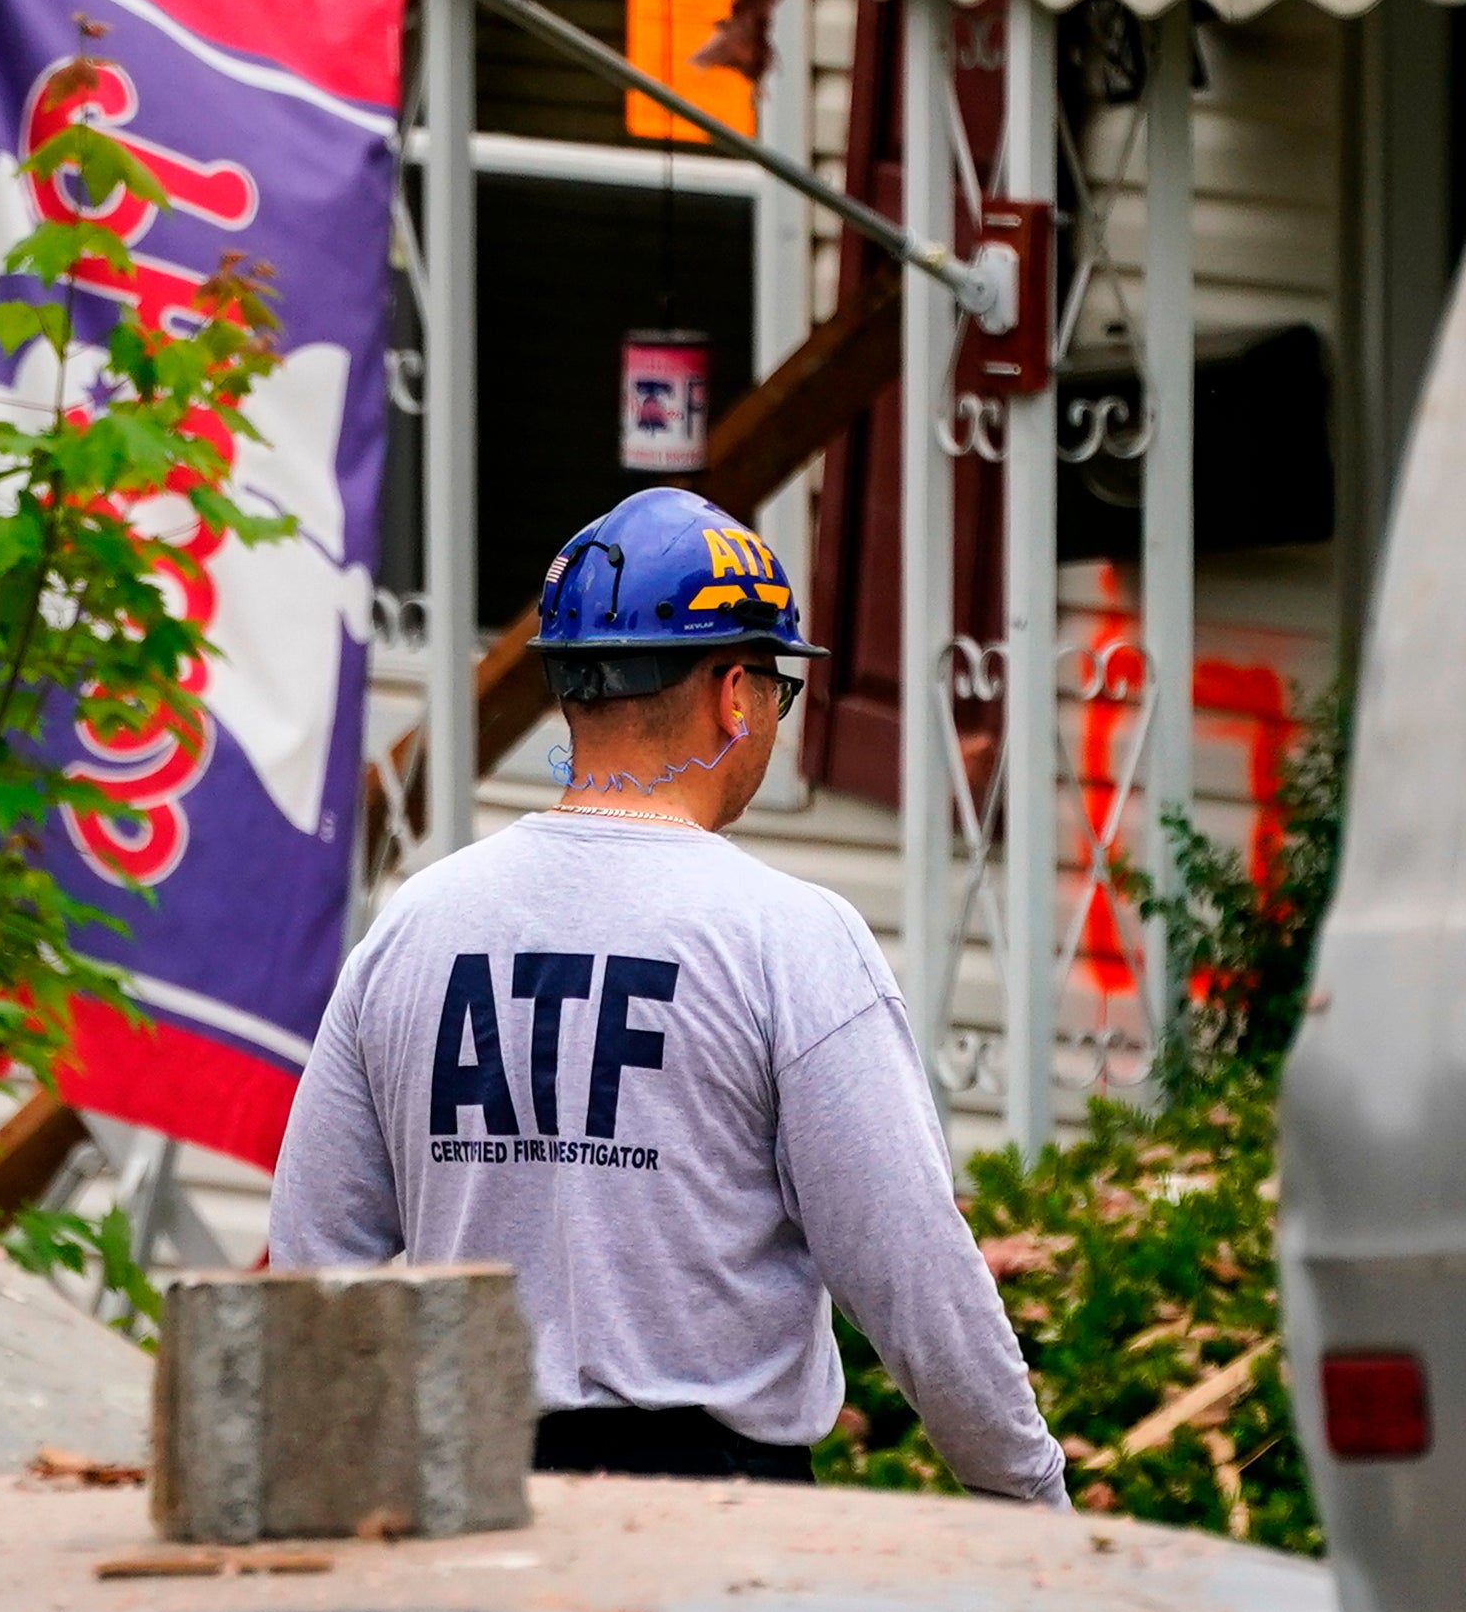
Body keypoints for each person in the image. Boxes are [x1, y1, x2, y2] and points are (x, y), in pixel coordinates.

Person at [268, 486, 1069, 1506]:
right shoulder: (788, 941)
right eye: (776, 691)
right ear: (733, 692)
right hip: (713, 1517)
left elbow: (309, 1268)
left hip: (465, 1504)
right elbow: (916, 1279)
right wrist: (1033, 1499)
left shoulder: (415, 926)